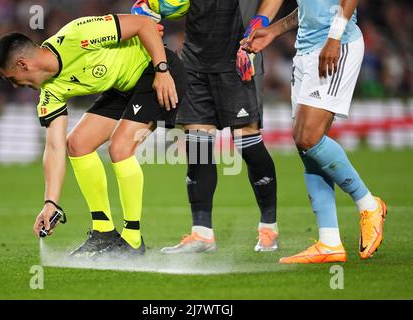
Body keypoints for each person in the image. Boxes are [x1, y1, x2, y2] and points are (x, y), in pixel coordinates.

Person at [0, 14, 187, 257]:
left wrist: (162, 70)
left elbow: (144, 25)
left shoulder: (78, 35)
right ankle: (103, 231)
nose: (14, 85)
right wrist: (50, 202)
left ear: (22, 64)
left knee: (120, 148)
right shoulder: (50, 93)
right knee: (77, 144)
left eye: (11, 79)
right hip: (123, 87)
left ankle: (133, 240)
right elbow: (54, 148)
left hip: (155, 72)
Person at [242, 0, 387, 263]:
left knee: (309, 136)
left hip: (336, 46)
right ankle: (329, 242)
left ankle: (369, 205)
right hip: (306, 53)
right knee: (305, 145)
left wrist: (334, 38)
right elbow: (309, 10)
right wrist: (274, 30)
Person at [132, 0, 279, 253]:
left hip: (240, 58)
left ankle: (269, 227)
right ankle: (202, 233)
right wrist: (146, 9)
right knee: (197, 148)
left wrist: (261, 21)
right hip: (195, 60)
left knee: (248, 145)